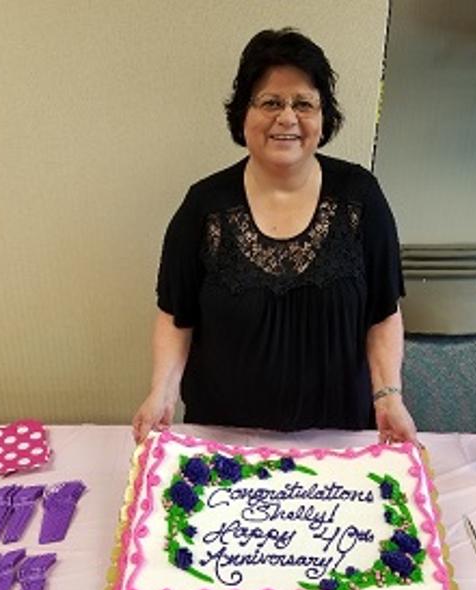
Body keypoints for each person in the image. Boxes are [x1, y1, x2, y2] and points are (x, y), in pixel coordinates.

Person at [132, 28, 417, 445]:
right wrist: (162, 392)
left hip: (338, 438)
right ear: (243, 114)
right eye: (270, 102)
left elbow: (383, 313)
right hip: (224, 439)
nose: (287, 117)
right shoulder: (204, 206)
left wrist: (389, 396)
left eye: (304, 103)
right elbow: (176, 316)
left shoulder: (360, 197)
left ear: (323, 116)